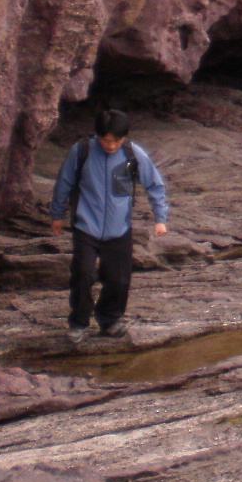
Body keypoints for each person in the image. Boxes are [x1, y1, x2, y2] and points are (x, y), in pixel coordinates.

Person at [48, 110, 170, 343]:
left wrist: (160, 218)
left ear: (124, 138)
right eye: (106, 140)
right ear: (98, 136)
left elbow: (155, 185)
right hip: (86, 226)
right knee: (82, 274)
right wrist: (57, 215)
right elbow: (64, 182)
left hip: (119, 229)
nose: (111, 145)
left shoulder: (133, 154)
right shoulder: (82, 151)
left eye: (116, 140)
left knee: (119, 279)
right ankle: (79, 322)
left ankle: (110, 319)